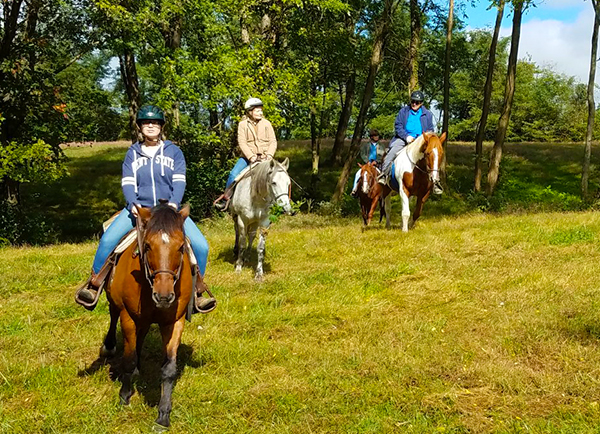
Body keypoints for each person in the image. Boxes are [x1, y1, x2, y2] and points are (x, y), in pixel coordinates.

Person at [75, 105, 216, 313]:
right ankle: (94, 285)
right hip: (138, 209)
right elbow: (128, 182)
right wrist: (133, 203)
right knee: (107, 241)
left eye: (155, 123)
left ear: (161, 127)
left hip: (168, 211)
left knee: (201, 246)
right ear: (140, 127)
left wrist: (174, 203)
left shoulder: (174, 152)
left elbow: (179, 181)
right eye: (146, 123)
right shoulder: (132, 153)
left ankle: (197, 292)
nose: (151, 126)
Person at [214, 97, 277, 211]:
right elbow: (242, 142)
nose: (260, 113)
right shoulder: (243, 125)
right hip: (248, 158)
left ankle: (282, 202)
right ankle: (226, 199)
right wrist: (251, 156)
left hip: (265, 158)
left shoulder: (267, 124)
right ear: (250, 111)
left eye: (261, 110)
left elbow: (273, 141)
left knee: (278, 175)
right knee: (233, 174)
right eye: (257, 110)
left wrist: (269, 155)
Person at [378, 90, 435, 183]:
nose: (414, 104)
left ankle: (435, 181)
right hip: (403, 139)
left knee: (433, 155)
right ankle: (383, 174)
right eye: (413, 101)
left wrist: (423, 139)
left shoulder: (427, 114)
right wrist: (406, 137)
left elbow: (430, 129)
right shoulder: (403, 111)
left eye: (417, 102)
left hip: (420, 141)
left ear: (421, 103)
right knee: (392, 151)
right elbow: (398, 126)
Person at [350, 129, 385, 197]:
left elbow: (382, 154)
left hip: (377, 165)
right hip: (367, 165)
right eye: (375, 136)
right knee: (358, 174)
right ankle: (354, 189)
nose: (377, 137)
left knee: (383, 176)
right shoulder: (365, 145)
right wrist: (367, 161)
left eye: (377, 136)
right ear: (371, 137)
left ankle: (383, 192)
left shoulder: (381, 146)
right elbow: (363, 154)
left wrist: (376, 161)